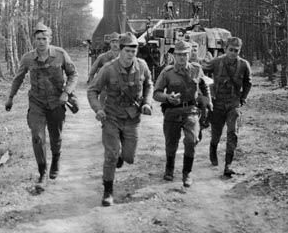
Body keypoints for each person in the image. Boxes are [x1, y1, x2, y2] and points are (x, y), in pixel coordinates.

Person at [5, 23, 78, 191]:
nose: (41, 42)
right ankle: (42, 172)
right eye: (38, 39)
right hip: (36, 103)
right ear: (34, 40)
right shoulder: (28, 58)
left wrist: (66, 92)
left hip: (57, 102)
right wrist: (10, 97)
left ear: (50, 39)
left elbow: (73, 74)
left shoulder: (60, 54)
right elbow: (18, 78)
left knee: (55, 136)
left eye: (44, 38)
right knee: (37, 136)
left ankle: (56, 158)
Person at [87, 32, 154, 206]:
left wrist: (147, 103)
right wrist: (98, 109)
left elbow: (149, 84)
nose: (130, 54)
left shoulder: (142, 66)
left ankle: (121, 155)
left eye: (134, 51)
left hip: (132, 118)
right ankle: (108, 192)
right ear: (121, 50)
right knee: (111, 155)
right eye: (127, 51)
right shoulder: (108, 68)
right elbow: (92, 90)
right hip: (112, 117)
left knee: (129, 157)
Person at [153, 41, 211, 187]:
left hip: (191, 110)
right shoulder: (167, 72)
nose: (182, 57)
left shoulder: (196, 69)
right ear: (174, 55)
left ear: (189, 54)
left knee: (191, 140)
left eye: (185, 54)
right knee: (171, 143)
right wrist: (168, 97)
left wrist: (208, 101)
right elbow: (156, 93)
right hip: (172, 111)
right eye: (179, 55)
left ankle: (187, 173)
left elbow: (204, 86)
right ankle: (169, 169)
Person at [202, 36, 252, 177]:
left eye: (236, 51)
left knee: (232, 133)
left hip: (233, 104)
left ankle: (228, 165)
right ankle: (213, 149)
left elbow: (248, 82)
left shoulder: (244, 65)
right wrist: (207, 91)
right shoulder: (217, 62)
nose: (233, 53)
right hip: (217, 104)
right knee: (216, 133)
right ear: (225, 49)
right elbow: (202, 72)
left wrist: (243, 98)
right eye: (231, 50)